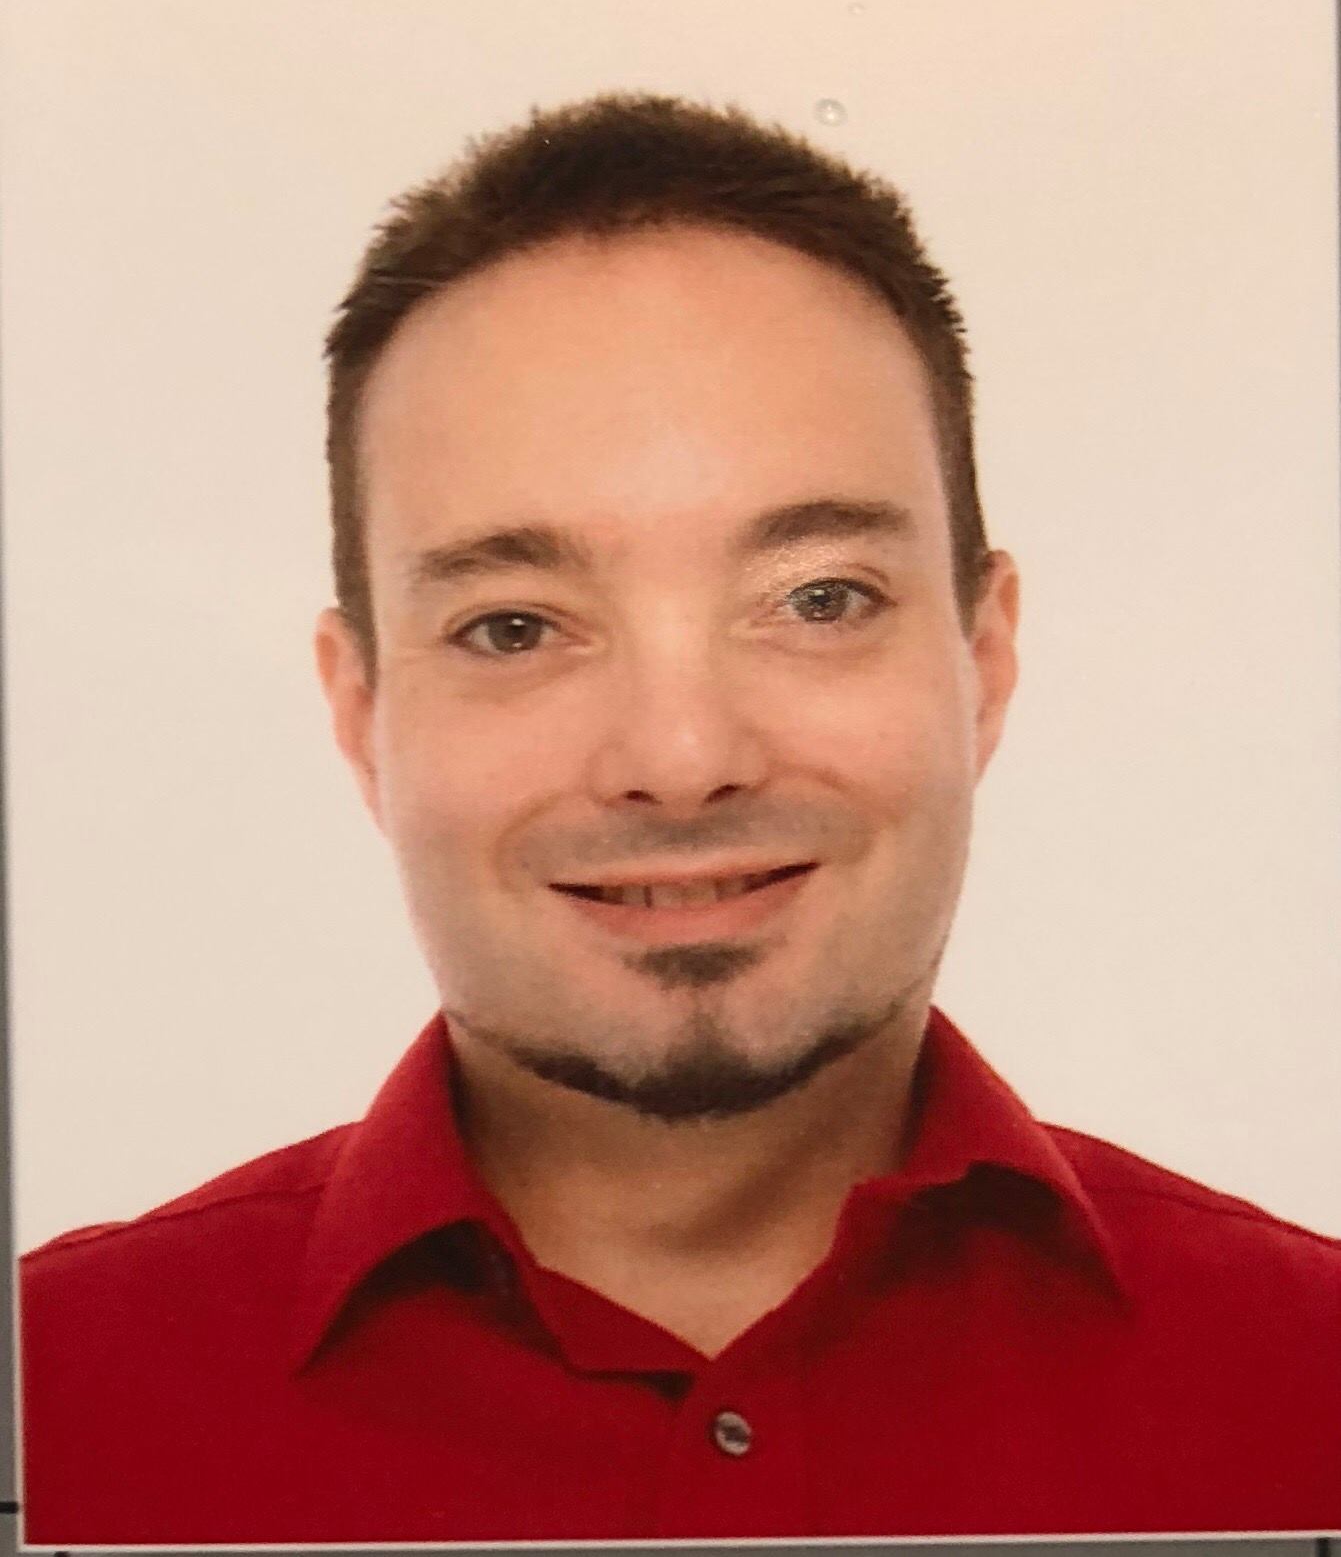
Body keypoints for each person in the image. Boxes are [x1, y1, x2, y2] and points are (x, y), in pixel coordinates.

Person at [19, 93, 1340, 1546]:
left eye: (818, 599)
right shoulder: (51, 1401)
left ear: (984, 659)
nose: (681, 755)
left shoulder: (1311, 1386)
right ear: (360, 714)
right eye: (515, 626)